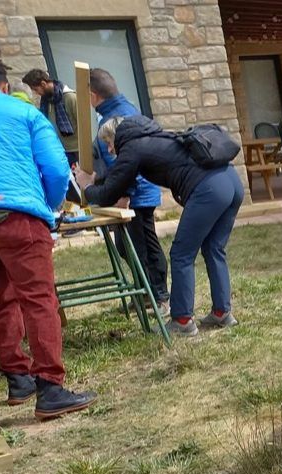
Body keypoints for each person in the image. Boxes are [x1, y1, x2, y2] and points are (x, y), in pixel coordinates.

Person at [0, 40, 97, 419]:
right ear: (1, 84)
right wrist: (51, 206)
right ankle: (51, 388)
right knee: (37, 298)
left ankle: (17, 378)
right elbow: (57, 170)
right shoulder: (21, 112)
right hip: (17, 211)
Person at [74, 116, 243, 337]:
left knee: (182, 253)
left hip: (209, 189)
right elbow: (119, 177)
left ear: (118, 136)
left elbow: (108, 195)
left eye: (108, 141)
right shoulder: (154, 137)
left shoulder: (132, 147)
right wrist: (97, 181)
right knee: (214, 249)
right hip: (231, 181)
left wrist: (86, 186)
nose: (108, 147)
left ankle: (182, 320)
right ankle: (222, 312)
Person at [88, 68, 169, 313]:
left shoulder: (117, 115)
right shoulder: (121, 109)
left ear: (93, 95)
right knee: (134, 245)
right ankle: (149, 293)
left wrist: (124, 195)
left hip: (136, 192)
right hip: (137, 190)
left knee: (140, 246)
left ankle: (158, 297)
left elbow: (124, 162)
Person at [23, 69, 80, 167]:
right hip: (59, 150)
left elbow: (85, 125)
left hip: (76, 151)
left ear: (43, 84)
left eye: (36, 90)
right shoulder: (46, 101)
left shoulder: (70, 97)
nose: (37, 93)